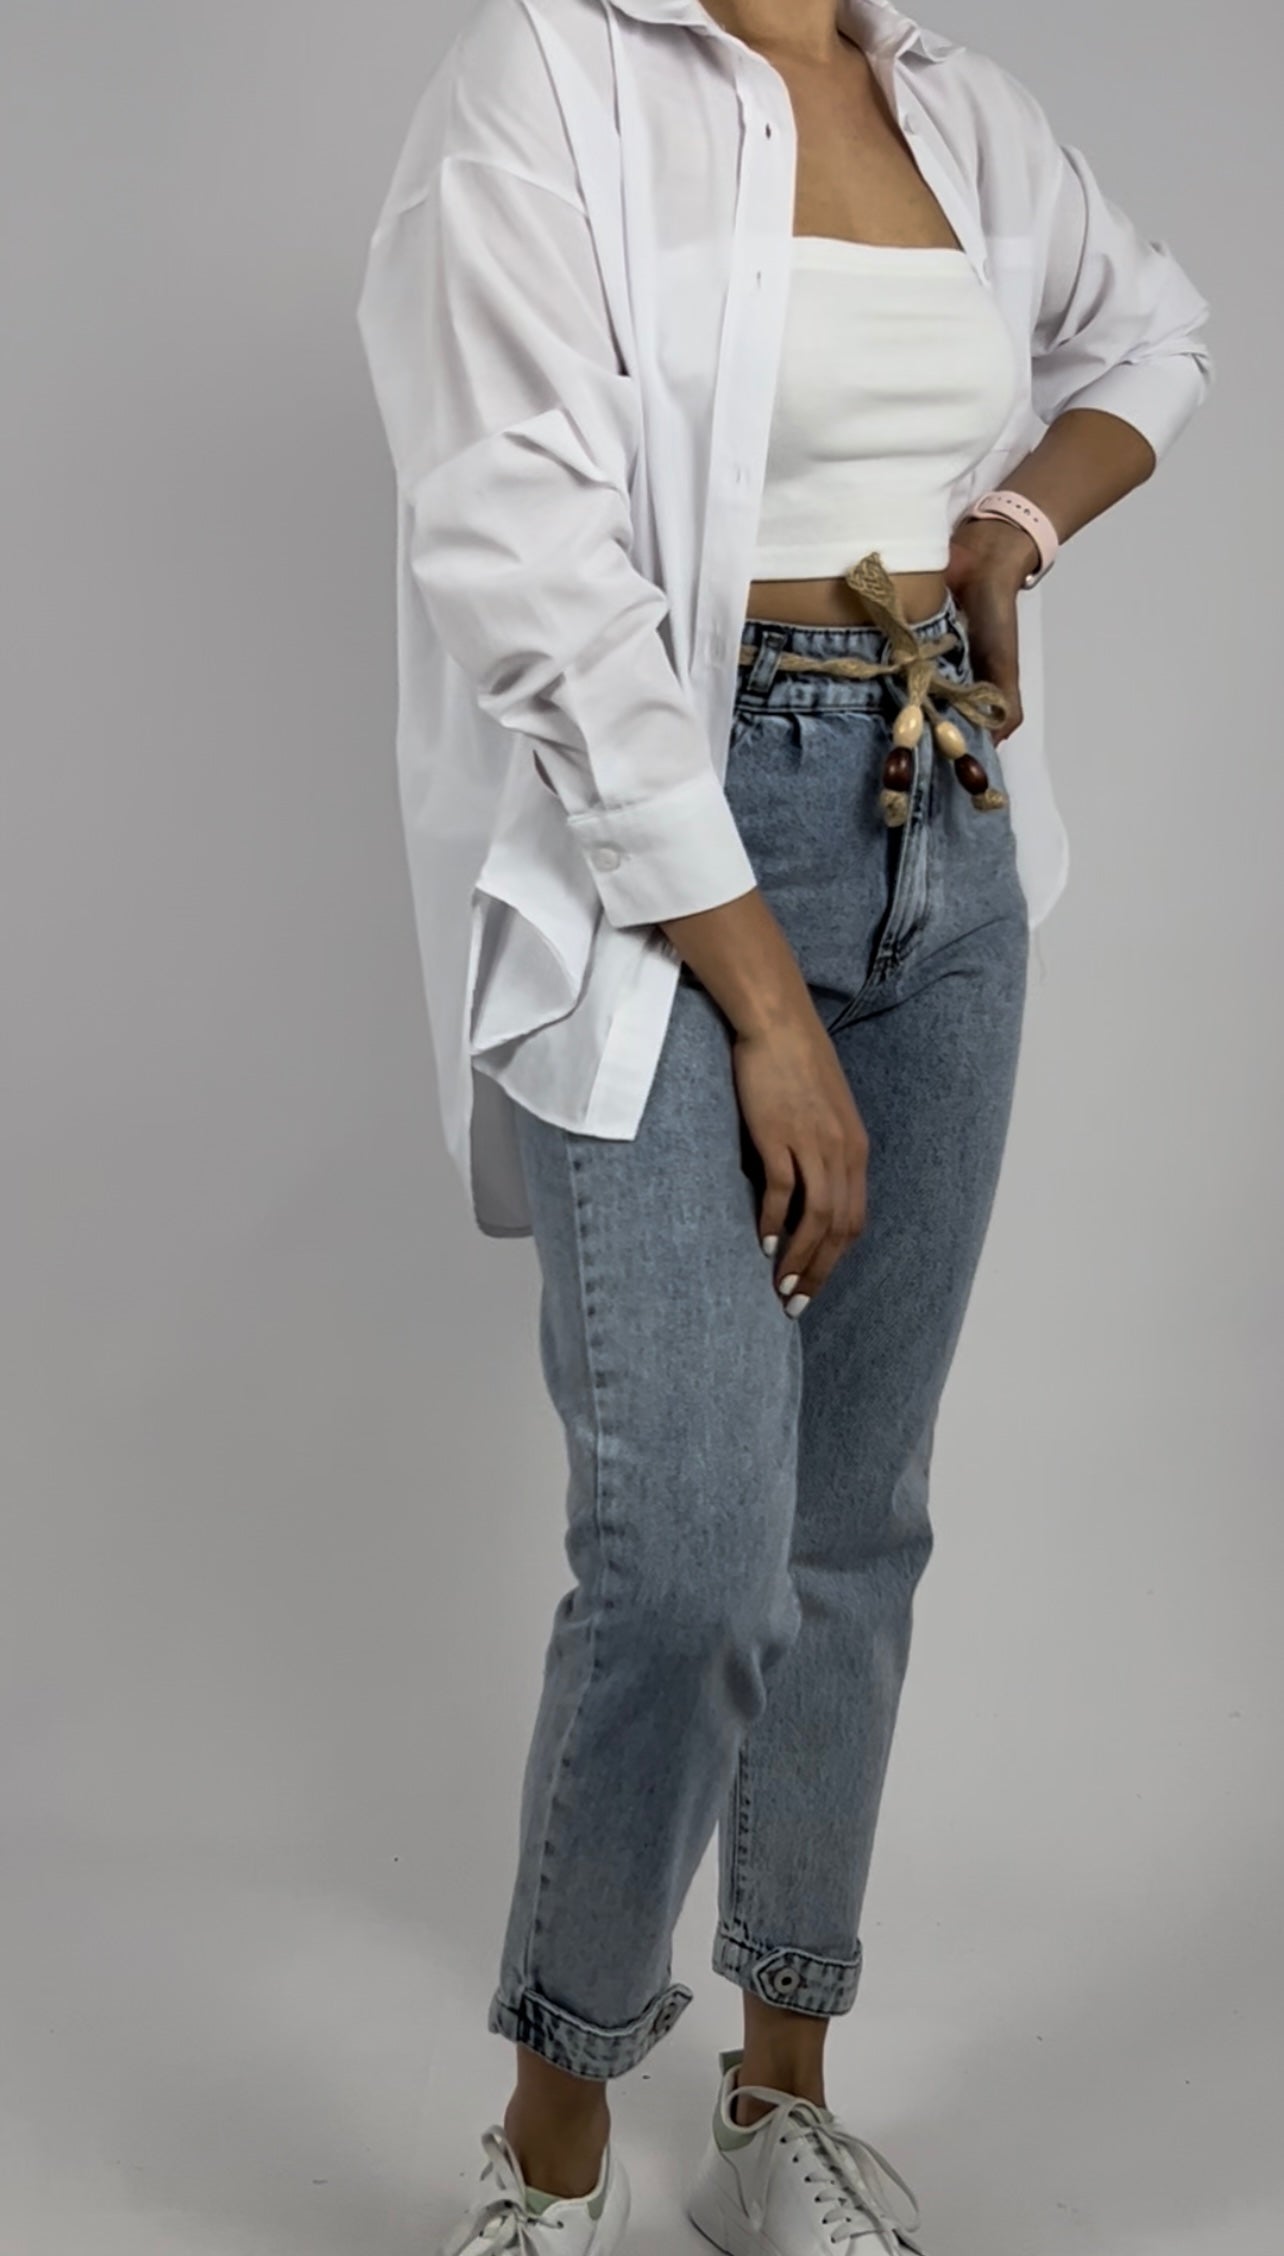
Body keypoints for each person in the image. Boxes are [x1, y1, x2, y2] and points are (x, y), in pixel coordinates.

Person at [355, 1, 1213, 2249]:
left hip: (947, 813)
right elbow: (513, 540)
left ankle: (776, 2106)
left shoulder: (957, 103)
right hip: (661, 843)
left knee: (852, 1524)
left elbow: (1157, 331)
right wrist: (757, 996)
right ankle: (554, 2145)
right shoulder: (548, 77)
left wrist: (1013, 522)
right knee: (690, 1557)